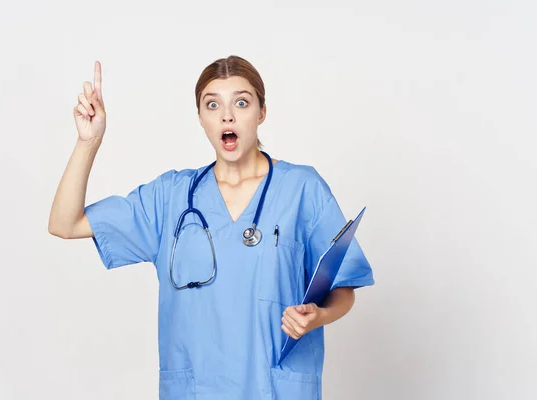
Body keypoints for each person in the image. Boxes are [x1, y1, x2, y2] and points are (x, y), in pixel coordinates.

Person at [48, 55, 374, 399]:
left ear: (261, 113)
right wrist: (89, 142)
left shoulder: (302, 189)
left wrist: (318, 315)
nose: (227, 115)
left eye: (242, 102)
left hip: (274, 390)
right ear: (201, 118)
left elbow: (344, 287)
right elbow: (64, 223)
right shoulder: (171, 197)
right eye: (213, 104)